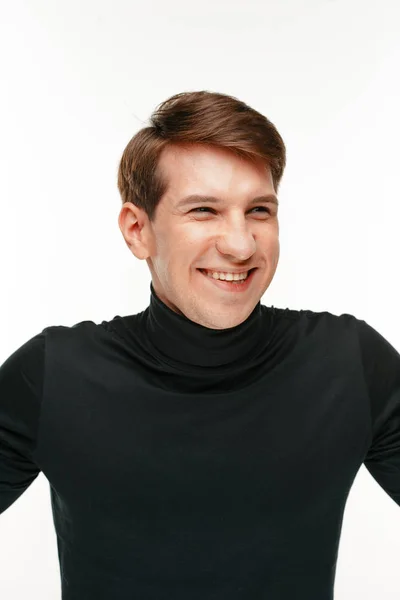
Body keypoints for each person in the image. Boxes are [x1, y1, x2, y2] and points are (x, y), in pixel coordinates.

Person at [0, 90, 399, 600]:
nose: (241, 244)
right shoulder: (55, 375)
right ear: (137, 230)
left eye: (259, 210)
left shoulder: (351, 365)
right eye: (204, 211)